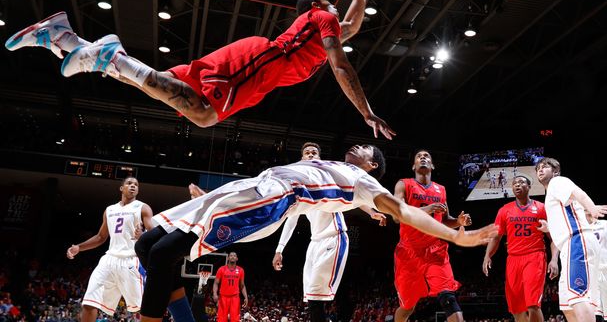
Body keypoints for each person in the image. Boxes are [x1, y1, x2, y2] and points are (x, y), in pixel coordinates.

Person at [6, 0, 395, 138]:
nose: (339, 16)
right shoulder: (319, 15)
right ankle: (111, 54)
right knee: (205, 114)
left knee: (155, 86)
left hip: (257, 68)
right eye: (332, 6)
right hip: (261, 63)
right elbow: (342, 66)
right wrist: (367, 111)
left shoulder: (323, 24)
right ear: (316, 7)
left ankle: (62, 36)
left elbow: (353, 24)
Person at [135, 145, 497, 322]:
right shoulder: (331, 163)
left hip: (274, 198)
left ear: (372, 166)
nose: (357, 147)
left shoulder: (365, 181)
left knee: (166, 253)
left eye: (366, 150)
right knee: (147, 244)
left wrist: (457, 236)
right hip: (255, 183)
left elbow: (401, 211)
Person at [272, 142, 385, 322]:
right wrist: (279, 249)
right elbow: (291, 219)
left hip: (334, 237)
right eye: (307, 152)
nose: (310, 154)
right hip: (314, 242)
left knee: (317, 298)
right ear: (302, 158)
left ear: (319, 157)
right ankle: (346, 307)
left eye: (314, 152)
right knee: (311, 298)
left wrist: (371, 211)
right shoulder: (299, 184)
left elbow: (355, 193)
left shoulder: (328, 175)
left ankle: (348, 309)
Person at [393, 150, 472, 322]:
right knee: (407, 307)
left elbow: (444, 220)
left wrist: (458, 221)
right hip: (409, 253)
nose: (423, 157)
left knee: (449, 299)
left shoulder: (440, 190)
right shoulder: (403, 184)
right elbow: (396, 215)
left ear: (432, 165)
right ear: (414, 165)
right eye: (419, 156)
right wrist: (427, 209)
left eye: (427, 156)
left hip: (435, 251)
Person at [66, 177, 153, 321]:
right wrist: (79, 248)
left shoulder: (143, 207)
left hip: (131, 260)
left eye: (136, 184)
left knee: (143, 308)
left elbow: (155, 233)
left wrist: (143, 236)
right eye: (129, 183)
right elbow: (101, 237)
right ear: (121, 188)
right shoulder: (110, 210)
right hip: (109, 260)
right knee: (89, 301)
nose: (133, 186)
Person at [535, 157, 607, 322]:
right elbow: (570, 213)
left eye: (544, 166)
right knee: (567, 305)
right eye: (538, 168)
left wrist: (592, 208)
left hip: (577, 241)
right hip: (569, 246)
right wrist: (549, 227)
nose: (540, 169)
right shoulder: (552, 194)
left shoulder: (557, 182)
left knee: (578, 298)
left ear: (555, 171)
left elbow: (579, 193)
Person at [482, 176, 559, 322]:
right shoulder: (504, 210)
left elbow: (553, 238)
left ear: (529, 187)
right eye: (515, 183)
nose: (517, 184)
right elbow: (496, 237)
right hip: (513, 259)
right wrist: (487, 256)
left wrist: (554, 259)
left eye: (521, 182)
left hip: (535, 256)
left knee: (532, 304)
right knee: (516, 308)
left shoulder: (541, 208)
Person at [212, 252, 247, 322]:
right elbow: (216, 283)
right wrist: (215, 294)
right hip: (223, 297)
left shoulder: (241, 270)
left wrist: (246, 297)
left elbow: (242, 285)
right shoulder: (221, 269)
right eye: (231, 255)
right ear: (228, 258)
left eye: (234, 256)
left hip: (235, 297)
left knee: (235, 319)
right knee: (221, 319)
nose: (232, 257)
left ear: (237, 259)